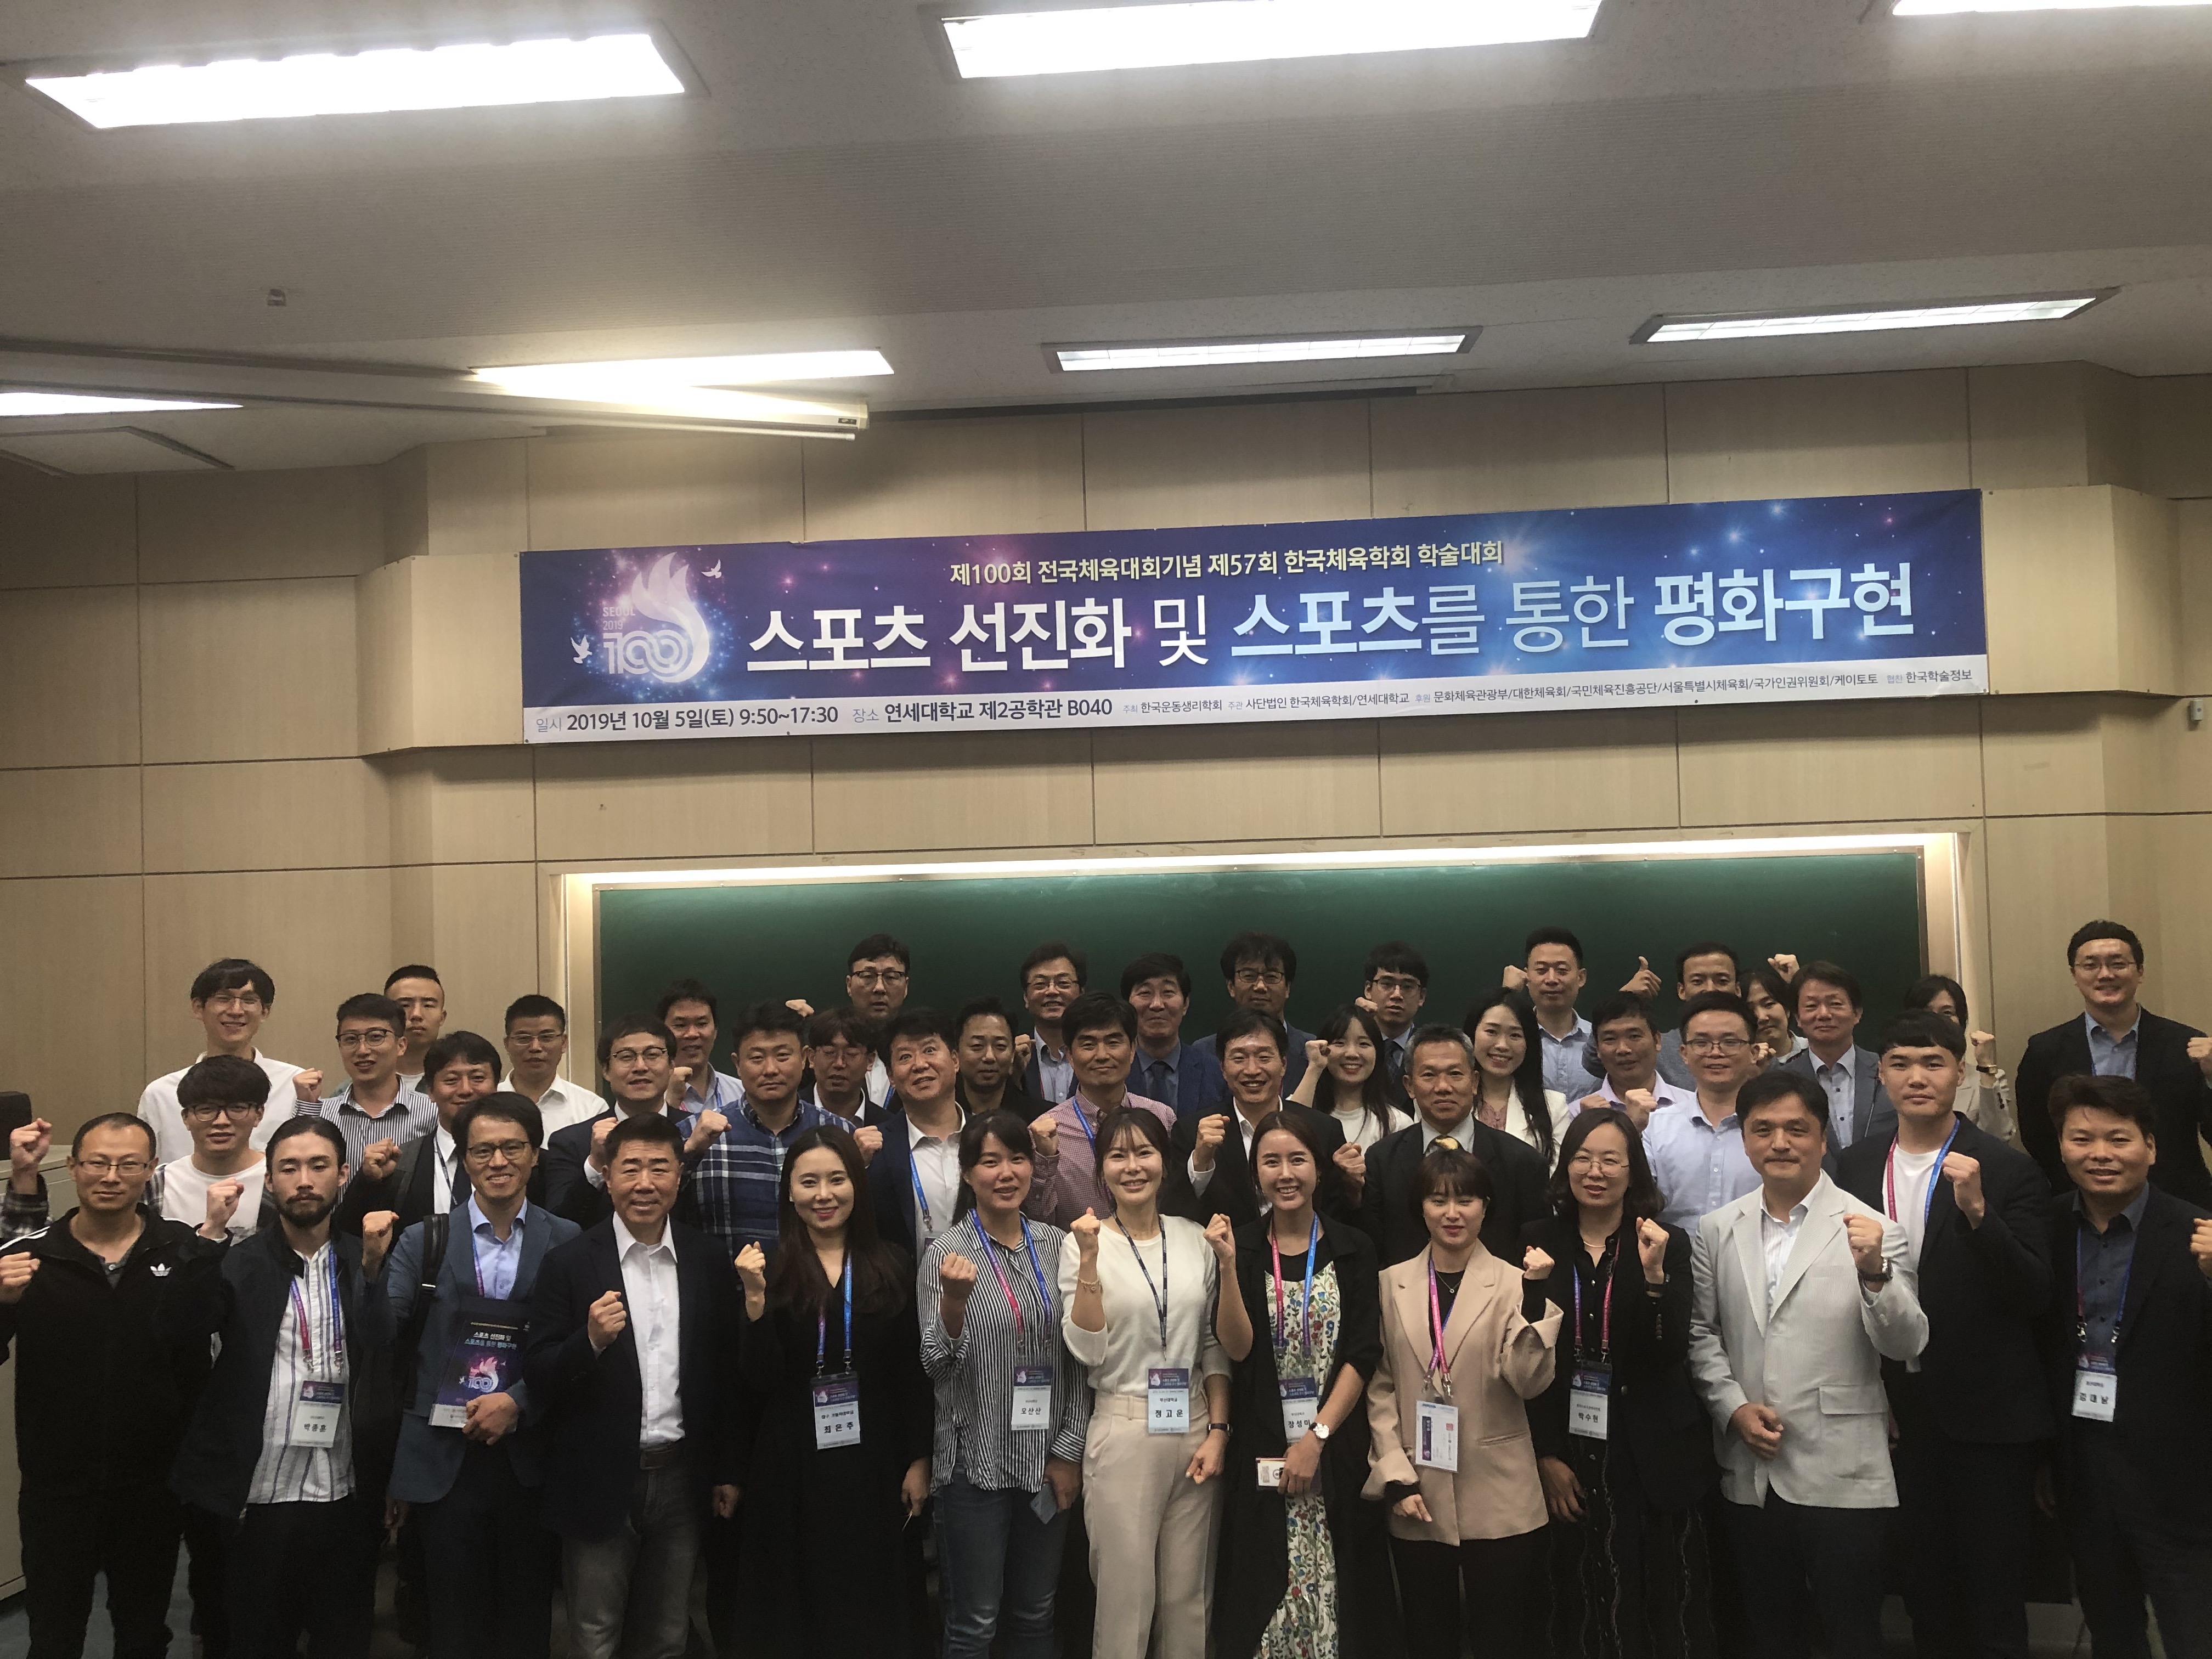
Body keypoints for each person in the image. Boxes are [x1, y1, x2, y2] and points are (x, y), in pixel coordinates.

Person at [1686, 1070, 1928, 1659]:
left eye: (1797, 1129)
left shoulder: (1874, 1230)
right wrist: (1733, 1408)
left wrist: (1875, 1273)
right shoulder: (1717, 1229)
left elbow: (1906, 1344)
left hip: (1842, 1465)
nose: (1780, 1143)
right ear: (1745, 1140)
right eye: (1763, 1129)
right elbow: (1702, 1332)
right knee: (1770, 1632)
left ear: (1823, 1139)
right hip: (1752, 1466)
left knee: (1852, 1633)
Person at [1835, 1012, 2050, 1659]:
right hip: (1895, 1411)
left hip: (1987, 1413)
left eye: (1933, 1063)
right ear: (1882, 1074)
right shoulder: (1854, 1166)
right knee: (1922, 1587)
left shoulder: (2008, 1169)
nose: (1917, 1077)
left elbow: (2035, 1294)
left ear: (1959, 1073)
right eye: (1901, 1063)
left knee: (1995, 1593)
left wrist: (1981, 1216)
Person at [0, 1114, 228, 1659]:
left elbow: (203, 1346)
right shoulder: (30, 1255)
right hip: (56, 1486)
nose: (111, 1176)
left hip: (151, 1485)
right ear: (73, 1167)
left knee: (144, 1633)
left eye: (128, 1165)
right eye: (97, 1163)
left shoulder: (182, 1249)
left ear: (151, 1170)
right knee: (53, 1635)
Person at [170, 1116, 399, 1659]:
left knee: (343, 1637)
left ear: (343, 1174)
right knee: (258, 1638)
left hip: (344, 1485)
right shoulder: (237, 1260)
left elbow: (385, 1347)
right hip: (260, 1490)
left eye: (319, 1166)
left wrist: (372, 1272)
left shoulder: (366, 1256)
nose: (304, 1181)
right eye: (289, 1169)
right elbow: (180, 1328)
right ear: (269, 1181)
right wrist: (209, 1234)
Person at [523, 1113, 741, 1659]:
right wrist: (589, 1342)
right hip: (597, 1477)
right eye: (631, 1169)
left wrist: (725, 1470)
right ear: (608, 1176)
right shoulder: (570, 1262)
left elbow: (722, 1373)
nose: (645, 1183)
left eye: (659, 1168)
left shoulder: (707, 1260)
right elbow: (540, 1374)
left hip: (681, 1476)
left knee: (667, 1635)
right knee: (595, 1635)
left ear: (679, 1177)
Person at [385, 1093, 578, 1659]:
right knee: (452, 1621)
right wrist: (371, 1269)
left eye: (513, 1148)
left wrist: (518, 1401)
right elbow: (383, 1335)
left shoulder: (567, 1238)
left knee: (526, 1617)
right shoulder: (424, 1239)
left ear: (535, 1155)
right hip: (443, 1454)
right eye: (483, 1150)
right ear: (464, 1160)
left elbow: (575, 1349)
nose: (498, 1161)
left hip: (531, 1453)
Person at [736, 1125, 933, 1656]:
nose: (824, 1195)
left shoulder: (893, 1262)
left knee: (871, 1600)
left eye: (837, 1179)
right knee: (798, 1603)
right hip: (792, 1461)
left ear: (857, 1187)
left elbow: (911, 1372)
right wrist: (754, 1303)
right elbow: (758, 1380)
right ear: (789, 1192)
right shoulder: (767, 1267)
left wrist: (919, 1459)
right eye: (809, 1183)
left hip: (875, 1460)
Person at [1528, 1109, 1717, 1659]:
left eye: (1611, 1160)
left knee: (1663, 1594)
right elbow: (1525, 1358)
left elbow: (1669, 1351)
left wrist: (1655, 1278)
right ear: (1565, 1167)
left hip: (1651, 1446)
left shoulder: (1666, 1242)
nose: (1596, 1172)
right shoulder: (1536, 1242)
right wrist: (1545, 1454)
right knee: (1580, 1592)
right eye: (1583, 1159)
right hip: (1572, 1447)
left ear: (1633, 1171)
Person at [2039, 1074, 2212, 1658]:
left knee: (2194, 1633)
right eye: (2082, 1139)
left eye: (2119, 1139)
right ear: (2061, 1147)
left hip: (2182, 1478)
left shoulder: (2198, 1233)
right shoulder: (2044, 1229)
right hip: (2082, 1469)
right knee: (2112, 1631)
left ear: (2151, 1148)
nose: (2101, 1154)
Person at [1364, 1146, 1561, 1658]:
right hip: (1418, 1488)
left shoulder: (1517, 1283)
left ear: (1485, 1206)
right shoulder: (1389, 1283)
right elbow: (1381, 1385)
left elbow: (1529, 1382)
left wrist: (1535, 1297)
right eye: (1438, 1200)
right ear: (1421, 1208)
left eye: (1466, 1200)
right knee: (1428, 1637)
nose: (1452, 1213)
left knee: (1503, 1639)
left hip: (1500, 1491)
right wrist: (1395, 1474)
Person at [1212, 1111, 1393, 1659]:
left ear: (1318, 1169)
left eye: (1298, 1160)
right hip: (1261, 1445)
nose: (1286, 1173)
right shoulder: (1243, 1246)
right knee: (1263, 1594)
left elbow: (1362, 1354)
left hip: (1335, 1448)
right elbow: (1237, 1349)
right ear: (1256, 1175)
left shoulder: (1353, 1246)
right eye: (1271, 1162)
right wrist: (1226, 1267)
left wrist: (1316, 1439)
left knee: (1346, 1595)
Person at [1059, 1107, 1238, 1659]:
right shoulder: (1081, 1242)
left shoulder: (1194, 1238)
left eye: (1144, 1153)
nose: (1132, 1167)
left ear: (1166, 1163)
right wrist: (1090, 1260)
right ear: (1101, 1170)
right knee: (1126, 1601)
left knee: (1189, 1601)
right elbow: (1087, 1349)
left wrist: (1220, 1430)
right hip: (1125, 1425)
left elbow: (1212, 1345)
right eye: (1118, 1156)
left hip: (1196, 1427)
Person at [919, 1113, 1088, 1658]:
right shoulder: (945, 1254)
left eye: (1017, 1159)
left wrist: (1069, 1452)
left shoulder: (1057, 1245)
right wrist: (953, 1304)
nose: (1006, 1173)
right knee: (975, 1623)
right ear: (969, 1174)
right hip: (975, 1465)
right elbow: (936, 1366)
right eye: (990, 1162)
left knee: (1036, 1614)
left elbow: (1081, 1360)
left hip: (1046, 1460)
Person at [2016, 918, 2212, 1207]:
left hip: (2178, 1202)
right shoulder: (2044, 1051)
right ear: (2074, 975)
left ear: (2140, 972)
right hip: (2079, 1206)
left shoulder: (2186, 1045)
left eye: (2118, 964)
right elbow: (2038, 1138)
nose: (2105, 974)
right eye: (2091, 965)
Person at [1359, 1026, 1549, 1267]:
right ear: (1409, 1086)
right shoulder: (1382, 1160)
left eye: (1455, 1074)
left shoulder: (1523, 1163)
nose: (1443, 1087)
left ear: (1475, 1082)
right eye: (1429, 1075)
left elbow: (1535, 1255)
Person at [689, 1002, 839, 1259]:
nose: (770, 1070)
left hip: (820, 1283)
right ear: (737, 1064)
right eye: (757, 1058)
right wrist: (690, 1153)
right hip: (728, 1283)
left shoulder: (838, 1132)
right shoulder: (697, 1135)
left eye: (783, 1056)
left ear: (805, 1058)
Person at [1180, 1010, 1353, 1228]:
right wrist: (1200, 1164)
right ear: (1223, 1068)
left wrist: (1353, 1184)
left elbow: (1339, 1214)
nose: (1252, 1070)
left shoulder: (1324, 1130)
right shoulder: (1192, 1132)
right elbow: (1178, 1212)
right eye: (1239, 1058)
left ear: (1284, 1064)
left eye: (1264, 1057)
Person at [1029, 992, 1173, 1230]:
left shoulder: (1162, 1117)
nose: (1102, 1055)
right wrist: (1046, 1160)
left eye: (1113, 1042)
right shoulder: (1046, 1133)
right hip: (1080, 1250)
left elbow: (1176, 1199)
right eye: (1088, 1045)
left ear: (1133, 1049)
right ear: (1070, 1056)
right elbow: (1037, 1224)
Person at [138, 958, 305, 1164]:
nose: (236, 1011)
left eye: (249, 1000)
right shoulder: (161, 1095)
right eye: (224, 999)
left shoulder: (295, 1085)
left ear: (265, 1011)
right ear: (198, 1008)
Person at [542, 1015, 699, 1229]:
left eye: (653, 1055)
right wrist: (595, 1164)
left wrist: (692, 1152)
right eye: (626, 1057)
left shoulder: (696, 1133)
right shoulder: (570, 1142)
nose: (640, 1067)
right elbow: (558, 1227)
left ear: (672, 1065)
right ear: (606, 1070)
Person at [339, 1031, 504, 1234]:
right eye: (451, 1080)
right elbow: (348, 1232)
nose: (465, 1090)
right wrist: (369, 1182)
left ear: (497, 1086)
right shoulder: (401, 1164)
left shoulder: (520, 1157)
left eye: (478, 1078)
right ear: (431, 1092)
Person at [1642, 993, 1764, 1232]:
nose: (1715, 1053)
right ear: (1684, 1053)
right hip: (1673, 1255)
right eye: (1701, 1043)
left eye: (1730, 1042)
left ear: (1753, 1052)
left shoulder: (1775, 1131)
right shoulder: (1655, 1128)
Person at [1581, 943, 1744, 1092]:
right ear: (1682, 991)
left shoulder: (1753, 1047)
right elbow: (1594, 1061)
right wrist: (1625, 997)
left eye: (1722, 981)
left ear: (1738, 990)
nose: (1710, 989)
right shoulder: (1657, 1046)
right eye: (1697, 982)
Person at [305, 993, 436, 1175]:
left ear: (401, 1046)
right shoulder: (321, 1115)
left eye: (375, 1037)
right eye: (351, 1039)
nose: (362, 1050)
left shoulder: (432, 1113)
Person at [1778, 962, 1894, 1160]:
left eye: (1835, 1004)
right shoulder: (1782, 1080)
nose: (1824, 1014)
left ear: (1857, 1013)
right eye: (1811, 1006)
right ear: (1798, 1018)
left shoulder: (1888, 1070)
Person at [150, 1054, 273, 1239]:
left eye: (237, 1108)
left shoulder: (281, 1179)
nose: (221, 1121)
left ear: (259, 1114)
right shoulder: (157, 1184)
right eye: (206, 1110)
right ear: (186, 1118)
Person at [1897, 975, 2017, 1146]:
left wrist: (1986, 1067)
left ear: (1961, 1021)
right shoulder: (1894, 1077)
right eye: (1927, 1013)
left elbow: (1999, 1136)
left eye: (1947, 1013)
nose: (1937, 1021)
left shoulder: (1986, 1079)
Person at [1465, 989, 1572, 1170]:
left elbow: (1555, 1175)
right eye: (1491, 1031)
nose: (1502, 1045)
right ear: (1472, 1034)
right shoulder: (1447, 1099)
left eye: (1515, 1035)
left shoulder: (1554, 1107)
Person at [1207, 932, 1319, 1092]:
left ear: (1287, 988)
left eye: (1271, 977)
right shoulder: (1204, 1052)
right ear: (1231, 986)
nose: (1260, 986)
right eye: (1249, 976)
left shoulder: (1313, 1052)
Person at [1122, 952, 1228, 1121]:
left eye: (1168, 992)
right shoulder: (1109, 1068)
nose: (1157, 1005)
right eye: (1145, 993)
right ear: (1127, 1005)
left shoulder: (1216, 1071)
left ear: (1185, 1004)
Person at [1289, 1002, 1405, 1154]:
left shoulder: (1397, 1123)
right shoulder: (1297, 1103)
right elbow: (1287, 1133)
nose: (1352, 1054)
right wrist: (1315, 1067)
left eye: (1363, 1044)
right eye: (1340, 1043)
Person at [1573, 993, 1694, 1132]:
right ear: (1598, 1049)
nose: (1623, 1049)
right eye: (1610, 1039)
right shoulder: (1578, 1113)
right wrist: (1587, 1126)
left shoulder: (1692, 1106)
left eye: (1634, 1036)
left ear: (1657, 1041)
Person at [1510, 927, 1603, 1102]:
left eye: (1562, 970)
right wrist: (1507, 993)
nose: (1552, 979)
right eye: (1541, 970)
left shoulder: (1601, 1040)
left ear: (1581, 978)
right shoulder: (1512, 1041)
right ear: (1527, 977)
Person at [503, 995, 603, 1136]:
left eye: (546, 1037)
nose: (535, 1047)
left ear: (564, 1043)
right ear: (507, 1044)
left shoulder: (591, 1108)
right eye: (523, 1038)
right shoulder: (486, 1102)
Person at [655, 978, 744, 1119]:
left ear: (715, 1031)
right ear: (662, 1034)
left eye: (702, 1024)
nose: (692, 1034)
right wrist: (670, 1103)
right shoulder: (648, 1096)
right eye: (680, 1025)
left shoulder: (742, 1094)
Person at [846, 933, 915, 1106]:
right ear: (849, 985)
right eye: (867, 976)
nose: (879, 988)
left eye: (891, 977)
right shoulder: (825, 1050)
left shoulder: (922, 1053)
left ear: (906, 987)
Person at [955, 997, 1047, 1122]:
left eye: (1000, 1046)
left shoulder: (1042, 1118)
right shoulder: (935, 1115)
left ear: (1013, 1054)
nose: (989, 1057)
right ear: (956, 1054)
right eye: (977, 1046)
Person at [1019, 943, 1086, 1106]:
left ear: (1081, 994)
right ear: (1026, 998)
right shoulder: (1015, 1058)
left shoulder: (1099, 1053)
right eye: (1040, 984)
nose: (1052, 991)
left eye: (1063, 983)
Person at [1359, 942, 1430, 1096]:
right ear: (1368, 990)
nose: (1397, 995)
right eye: (1387, 984)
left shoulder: (1432, 1050)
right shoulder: (1350, 1049)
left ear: (1422, 997)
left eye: (1408, 987)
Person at [804, 1005, 890, 1129]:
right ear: (812, 1058)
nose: (839, 1063)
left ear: (870, 1061)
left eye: (851, 1054)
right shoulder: (788, 1116)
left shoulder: (888, 1126)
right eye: (829, 1052)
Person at [386, 966, 448, 1095]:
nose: (416, 1015)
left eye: (428, 1005)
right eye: (405, 1005)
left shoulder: (463, 1086)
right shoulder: (357, 1089)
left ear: (442, 1018)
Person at [1742, 966, 1804, 1069]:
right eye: (1750, 1010)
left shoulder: (1815, 1051)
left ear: (1787, 1008)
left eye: (1768, 1004)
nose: (1761, 1017)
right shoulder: (1740, 1066)